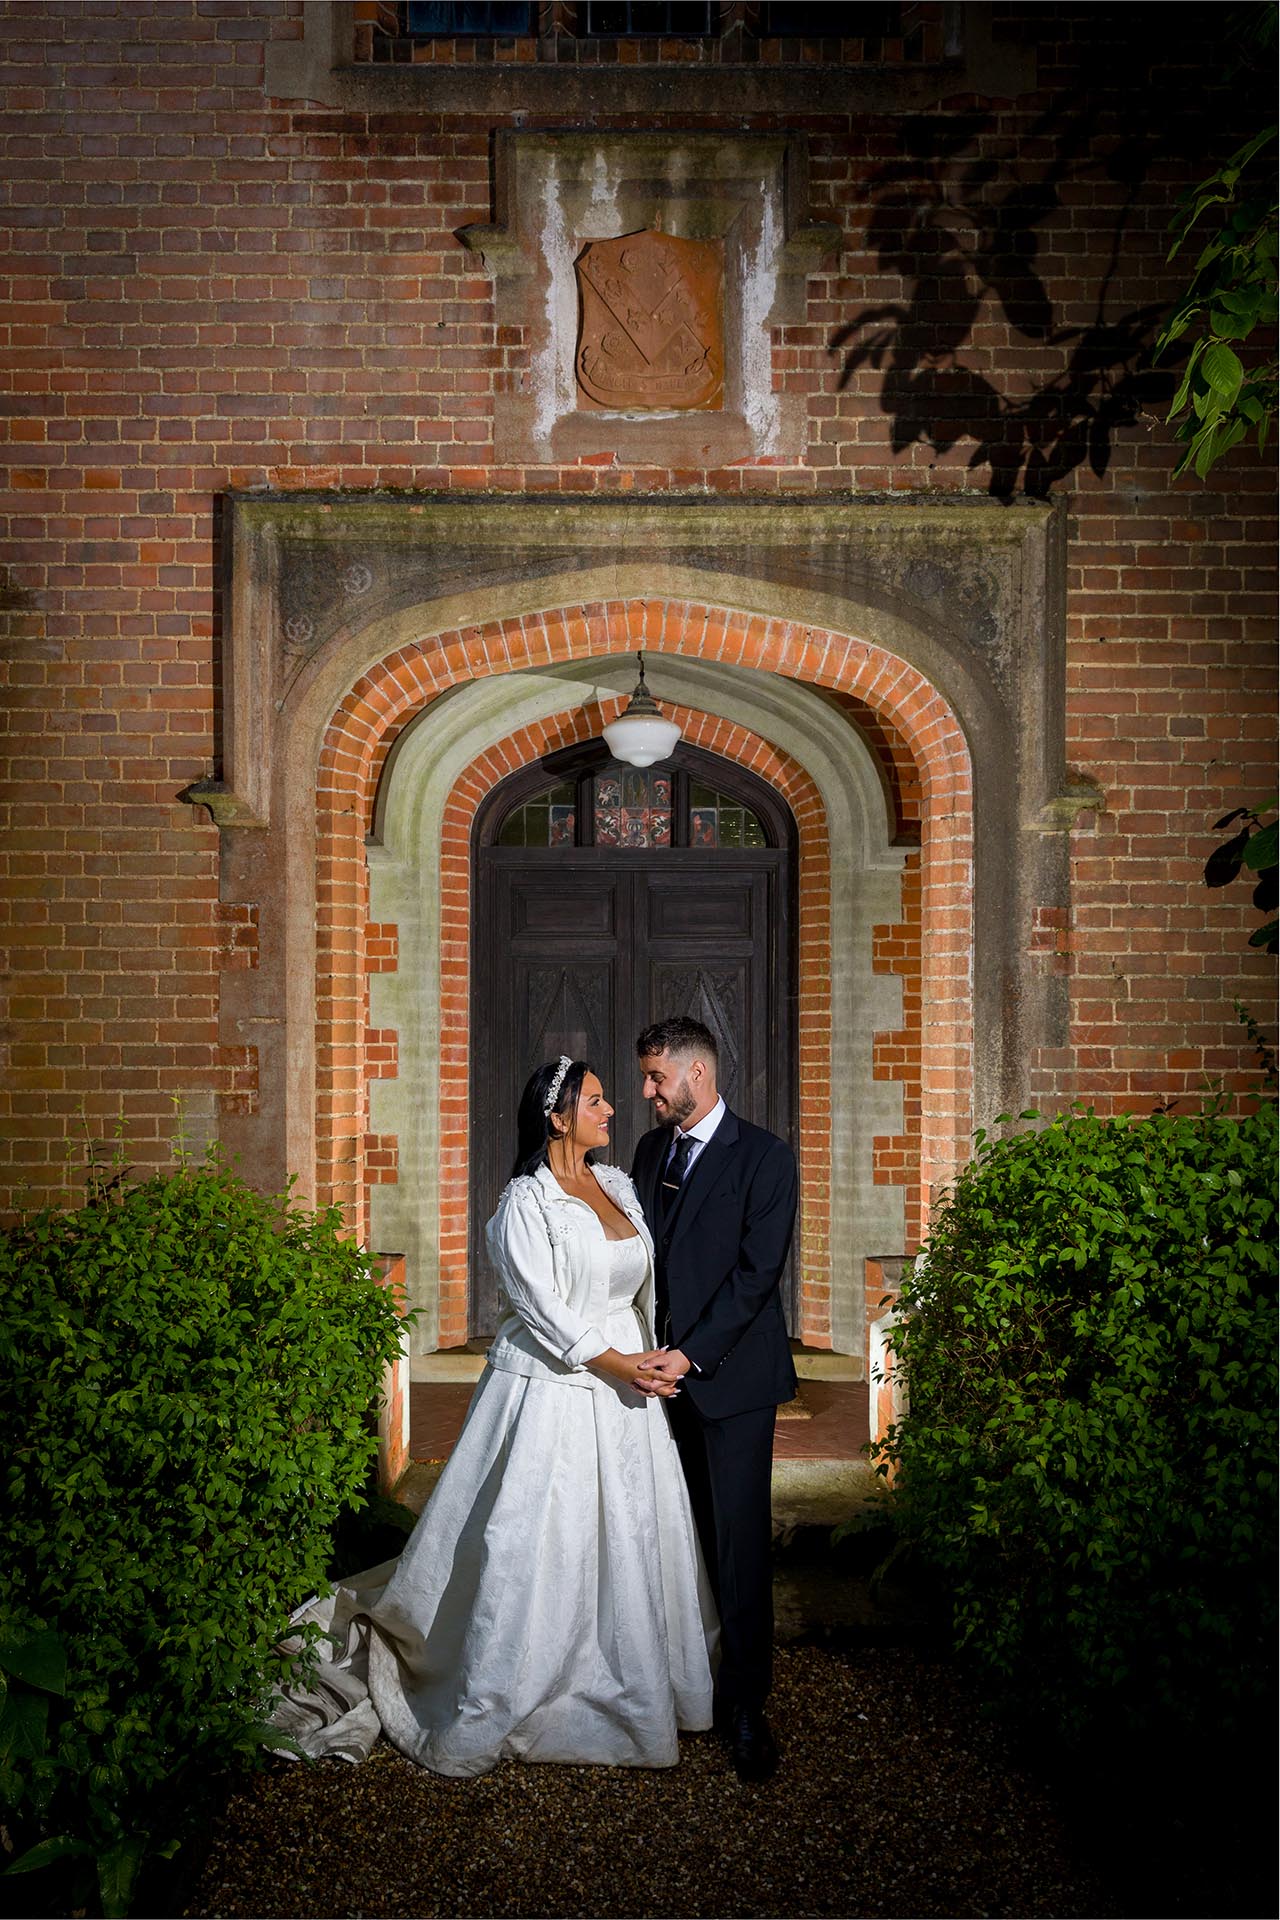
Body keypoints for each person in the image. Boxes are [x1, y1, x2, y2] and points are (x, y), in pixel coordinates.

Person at [271, 1056, 717, 1777]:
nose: (611, 1110)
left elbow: (643, 1285)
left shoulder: (618, 1184)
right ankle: (514, 1677)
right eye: (595, 1101)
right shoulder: (524, 1204)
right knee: (534, 1532)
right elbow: (542, 1309)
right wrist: (620, 1364)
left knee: (631, 1526)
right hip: (557, 1385)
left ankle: (639, 1673)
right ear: (558, 1119)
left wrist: (654, 1356)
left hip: (630, 1392)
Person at [630, 1017, 798, 1783]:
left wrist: (690, 1355)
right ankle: (685, 1677)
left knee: (738, 1544)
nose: (648, 1092)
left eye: (657, 1077)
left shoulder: (764, 1157)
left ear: (696, 1074)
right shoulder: (649, 1153)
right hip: (658, 1385)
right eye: (646, 1077)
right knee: (680, 1535)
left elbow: (757, 1275)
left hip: (731, 1382)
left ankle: (746, 1703)